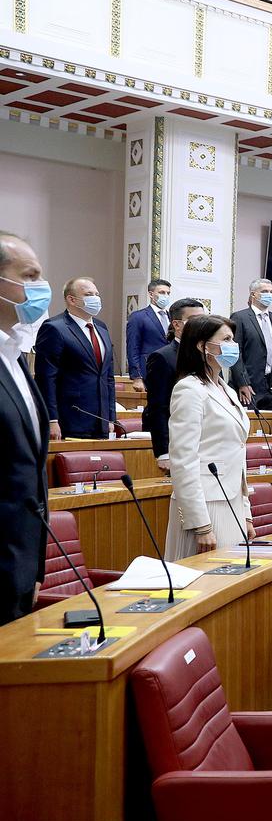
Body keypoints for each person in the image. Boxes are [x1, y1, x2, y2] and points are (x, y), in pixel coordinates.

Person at [163, 315, 253, 560]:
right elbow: (183, 459)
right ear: (202, 346)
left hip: (232, 498)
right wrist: (200, 524)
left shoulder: (227, 389)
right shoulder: (189, 389)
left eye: (233, 339)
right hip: (206, 502)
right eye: (226, 339)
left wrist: (246, 512)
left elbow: (238, 450)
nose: (233, 345)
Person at [0, 233, 50, 624]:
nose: (40, 286)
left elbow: (29, 475)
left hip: (18, 567)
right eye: (29, 276)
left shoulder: (14, 356)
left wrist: (34, 570)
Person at [34, 276, 115, 439]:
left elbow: (108, 377)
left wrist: (111, 417)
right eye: (89, 294)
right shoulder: (54, 328)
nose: (96, 298)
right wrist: (51, 419)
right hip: (70, 418)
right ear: (71, 299)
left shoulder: (101, 327)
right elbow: (46, 378)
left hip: (101, 420)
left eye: (97, 294)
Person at [143, 297, 204, 471]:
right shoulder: (162, 357)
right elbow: (158, 407)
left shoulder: (207, 355)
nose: (202, 326)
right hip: (179, 438)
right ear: (177, 325)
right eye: (195, 321)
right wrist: (163, 452)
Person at [228, 279, 272, 411]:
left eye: (271, 292)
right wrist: (242, 383)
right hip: (248, 385)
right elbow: (236, 352)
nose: (269, 295)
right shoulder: (239, 317)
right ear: (253, 294)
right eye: (265, 291)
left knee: (269, 428)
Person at [124, 277, 171, 392]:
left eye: (168, 293)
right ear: (151, 294)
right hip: (149, 371)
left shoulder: (172, 317)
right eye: (161, 292)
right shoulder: (139, 317)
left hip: (170, 372)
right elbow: (133, 347)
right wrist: (137, 377)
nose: (166, 295)